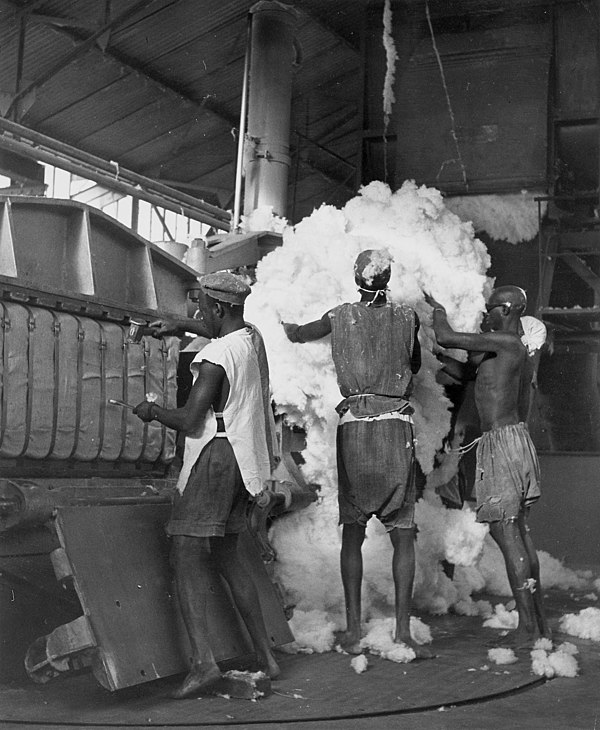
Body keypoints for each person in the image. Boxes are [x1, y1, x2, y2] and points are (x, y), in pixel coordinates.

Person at [133, 272, 280, 698]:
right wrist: (180, 325)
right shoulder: (250, 341)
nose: (198, 314)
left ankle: (203, 663)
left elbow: (190, 420)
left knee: (184, 555)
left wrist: (153, 410)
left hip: (214, 458)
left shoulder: (216, 357)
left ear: (218, 309)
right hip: (242, 460)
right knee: (230, 556)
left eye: (201, 309)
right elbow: (223, 327)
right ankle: (267, 657)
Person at [282, 249, 433, 659]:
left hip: (355, 431)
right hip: (396, 428)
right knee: (403, 532)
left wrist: (285, 324)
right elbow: (414, 365)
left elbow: (298, 334)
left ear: (357, 279)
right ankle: (401, 630)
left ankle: (352, 630)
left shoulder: (338, 316)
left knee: (353, 528)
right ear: (387, 280)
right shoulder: (407, 317)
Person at [425, 285, 550, 648]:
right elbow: (465, 372)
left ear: (508, 309)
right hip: (508, 442)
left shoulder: (508, 342)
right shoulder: (501, 350)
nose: (485, 312)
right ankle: (538, 623)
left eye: (491, 308)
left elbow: (449, 336)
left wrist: (438, 309)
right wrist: (432, 354)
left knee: (509, 535)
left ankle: (528, 627)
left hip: (503, 443)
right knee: (516, 534)